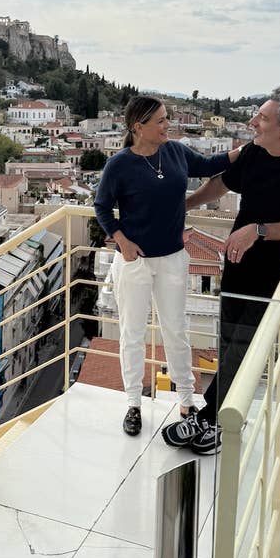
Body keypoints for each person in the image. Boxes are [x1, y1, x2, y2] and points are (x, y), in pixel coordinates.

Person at [162, 87, 280, 455]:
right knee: (227, 343)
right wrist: (182, 205)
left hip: (275, 276)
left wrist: (259, 230)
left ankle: (210, 421)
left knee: (240, 349)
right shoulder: (255, 154)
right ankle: (218, 420)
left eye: (263, 118)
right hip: (239, 266)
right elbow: (222, 184)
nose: (252, 121)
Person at [94, 95, 239, 437]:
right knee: (131, 333)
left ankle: (187, 402)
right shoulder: (119, 165)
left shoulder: (175, 151)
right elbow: (102, 207)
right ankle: (133, 404)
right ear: (138, 127)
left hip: (173, 259)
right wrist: (121, 240)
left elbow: (209, 164)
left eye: (166, 118)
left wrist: (245, 152)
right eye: (160, 121)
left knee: (177, 331)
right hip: (135, 262)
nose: (167, 125)